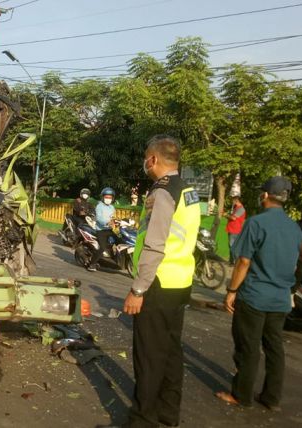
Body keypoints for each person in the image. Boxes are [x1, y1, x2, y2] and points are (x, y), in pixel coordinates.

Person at [122, 135, 201, 427]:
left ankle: (142, 420)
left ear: (153, 159)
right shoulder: (189, 190)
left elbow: (155, 244)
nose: (146, 163)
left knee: (149, 355)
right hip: (180, 282)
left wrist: (137, 289)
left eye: (146, 158)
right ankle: (168, 414)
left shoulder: (163, 191)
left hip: (157, 283)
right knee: (170, 351)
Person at [217, 177, 302, 411]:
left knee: (248, 347)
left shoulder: (256, 223)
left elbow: (244, 261)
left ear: (265, 195)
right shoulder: (294, 226)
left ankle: (242, 396)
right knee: (274, 348)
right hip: (280, 299)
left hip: (255, 295)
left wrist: (231, 291)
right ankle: (271, 397)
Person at [87, 187, 116, 272]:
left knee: (119, 240)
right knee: (102, 247)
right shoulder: (99, 206)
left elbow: (113, 217)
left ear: (112, 198)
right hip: (101, 230)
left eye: (110, 197)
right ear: (103, 197)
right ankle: (92, 264)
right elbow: (99, 218)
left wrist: (118, 221)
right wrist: (107, 223)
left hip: (109, 230)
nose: (108, 199)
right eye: (106, 197)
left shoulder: (112, 207)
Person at [225, 195, 246, 264]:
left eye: (233, 200)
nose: (232, 202)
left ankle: (236, 262)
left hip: (235, 230)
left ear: (236, 200)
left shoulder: (241, 209)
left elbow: (233, 218)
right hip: (232, 229)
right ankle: (232, 262)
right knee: (231, 246)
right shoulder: (236, 208)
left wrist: (226, 215)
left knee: (233, 246)